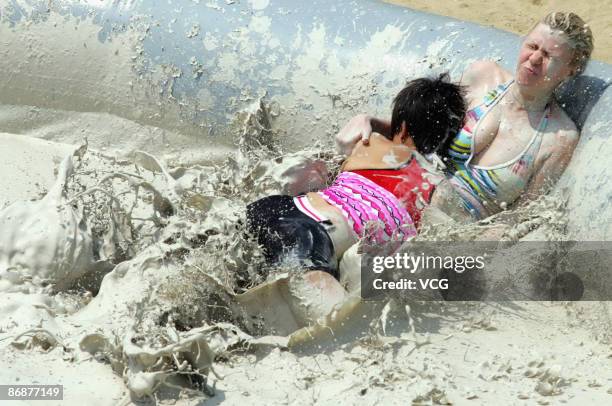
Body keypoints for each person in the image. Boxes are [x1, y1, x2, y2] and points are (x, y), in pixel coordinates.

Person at [336, 12, 594, 222]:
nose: (534, 59)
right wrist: (371, 122)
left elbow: (522, 217)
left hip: (447, 230)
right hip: (401, 193)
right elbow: (422, 130)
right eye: (532, 46)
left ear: (571, 71)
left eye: (549, 56)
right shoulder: (483, 78)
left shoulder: (559, 138)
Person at [245, 74, 466, 314]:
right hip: (317, 236)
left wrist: (377, 120)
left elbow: (343, 139)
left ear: (399, 125)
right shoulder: (437, 189)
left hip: (278, 207)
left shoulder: (370, 144)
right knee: (337, 327)